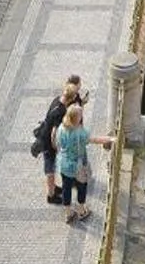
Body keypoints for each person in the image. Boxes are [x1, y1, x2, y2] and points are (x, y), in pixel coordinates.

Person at [52, 101, 111, 224]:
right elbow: (94, 140)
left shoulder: (62, 128)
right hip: (78, 166)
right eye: (80, 115)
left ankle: (68, 213)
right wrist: (110, 139)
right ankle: (81, 211)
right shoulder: (80, 132)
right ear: (76, 118)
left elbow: (57, 142)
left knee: (66, 188)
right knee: (81, 187)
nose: (82, 117)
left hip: (63, 164)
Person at [34, 73, 84, 204]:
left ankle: (54, 188)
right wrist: (57, 148)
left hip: (45, 137)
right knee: (49, 169)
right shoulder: (60, 111)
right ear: (71, 97)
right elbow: (53, 134)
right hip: (47, 143)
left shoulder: (58, 100)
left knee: (51, 167)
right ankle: (51, 195)